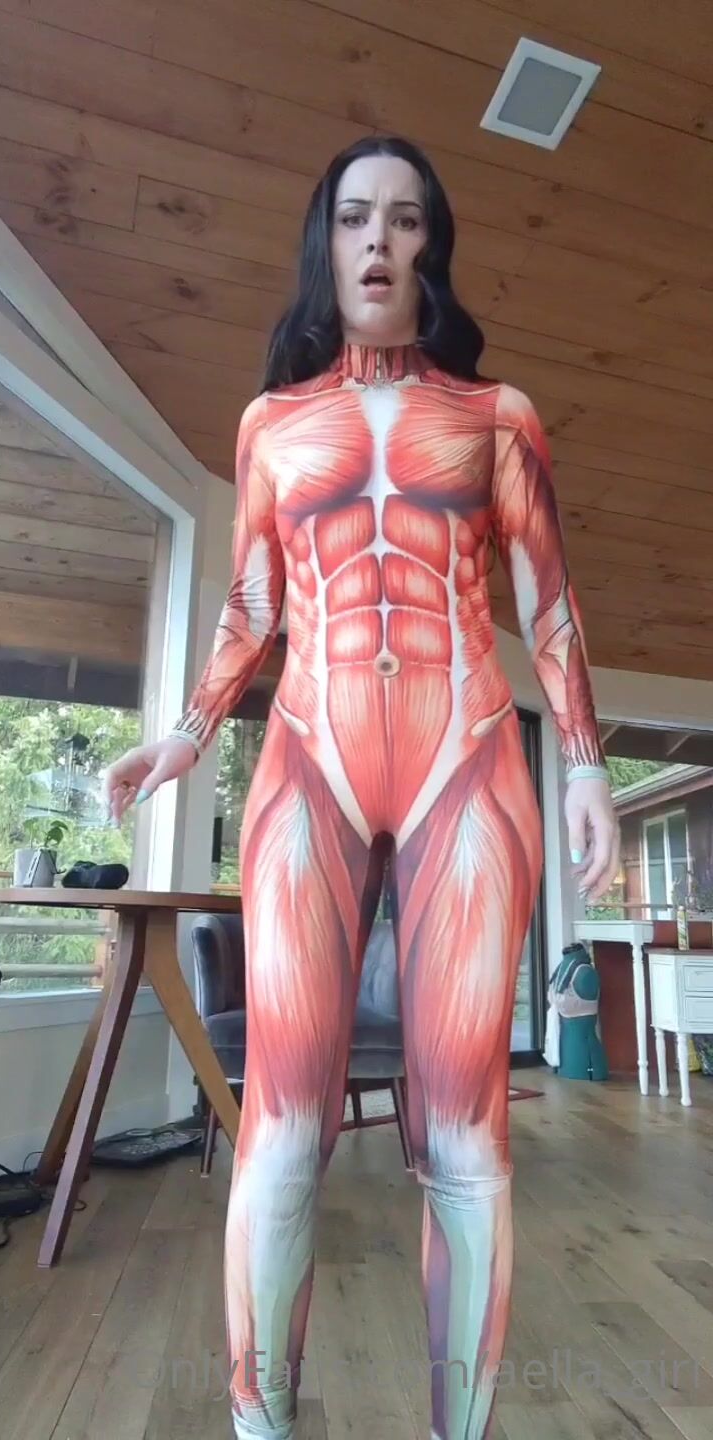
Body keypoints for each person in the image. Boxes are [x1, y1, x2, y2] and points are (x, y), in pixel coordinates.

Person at [104, 135, 620, 1440]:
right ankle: (260, 1424)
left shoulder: (496, 417)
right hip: (313, 755)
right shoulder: (271, 426)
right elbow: (251, 604)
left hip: (465, 755)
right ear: (326, 247)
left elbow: (551, 606)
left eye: (402, 218)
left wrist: (588, 765)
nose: (378, 240)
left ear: (431, 246)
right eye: (353, 218)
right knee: (282, 1125)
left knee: (466, 1140)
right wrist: (184, 735)